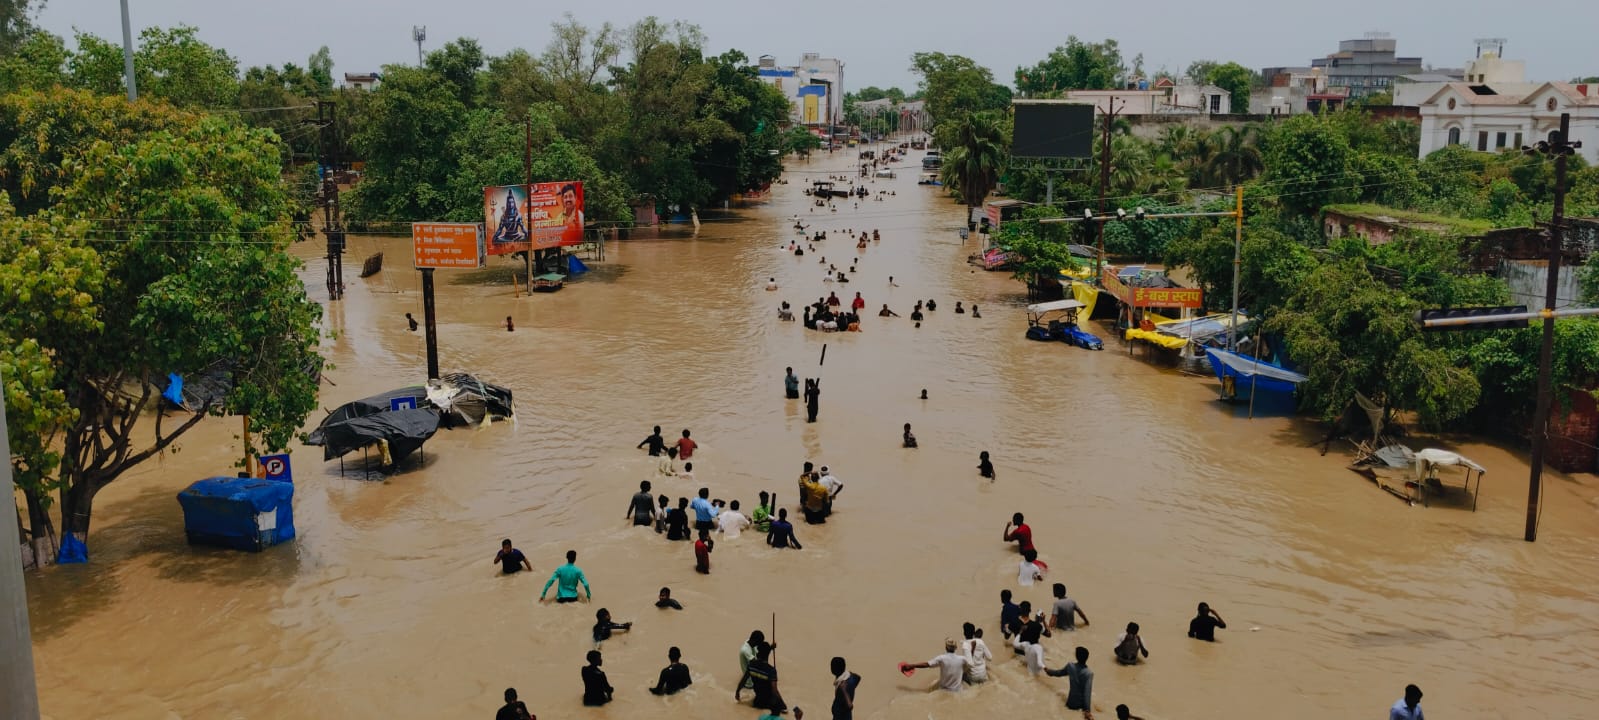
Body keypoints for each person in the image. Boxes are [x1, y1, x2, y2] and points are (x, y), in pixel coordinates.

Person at [900, 639, 971, 692]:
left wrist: (912, 665)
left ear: (946, 647)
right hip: (958, 691)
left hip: (943, 691)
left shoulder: (941, 658)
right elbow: (970, 668)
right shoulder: (963, 659)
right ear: (956, 648)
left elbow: (926, 664)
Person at [1045, 646, 1095, 719]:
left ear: (1076, 656)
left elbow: (1059, 673)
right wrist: (1087, 711)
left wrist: (1049, 671)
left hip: (1070, 703)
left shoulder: (1070, 666)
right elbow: (1087, 693)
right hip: (1080, 706)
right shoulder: (1088, 673)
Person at [735, 642, 787, 713]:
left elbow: (743, 681)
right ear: (768, 654)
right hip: (769, 704)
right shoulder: (771, 671)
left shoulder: (751, 666)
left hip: (757, 702)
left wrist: (737, 692)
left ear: (757, 654)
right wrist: (783, 706)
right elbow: (774, 691)